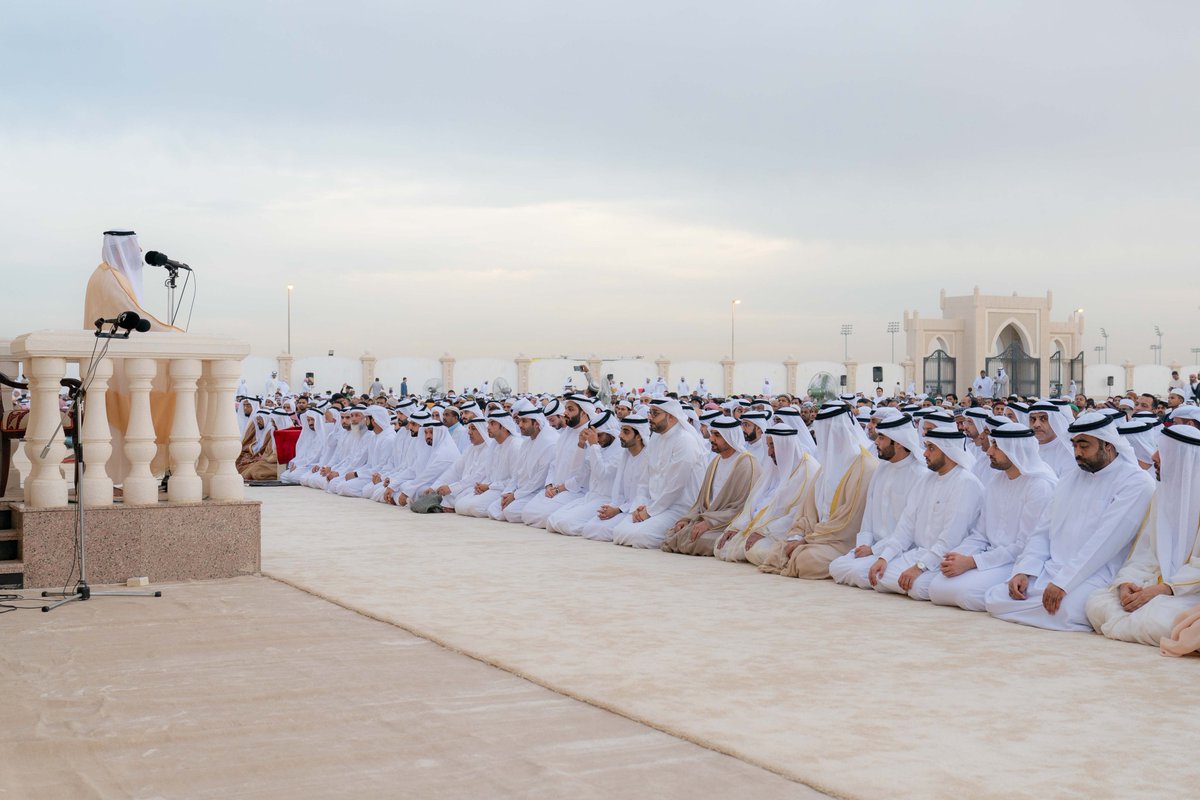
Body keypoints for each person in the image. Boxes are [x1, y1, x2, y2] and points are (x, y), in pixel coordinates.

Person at [985, 412, 1157, 632]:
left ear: (1107, 445)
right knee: (995, 597)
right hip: (1052, 568)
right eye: (1074, 445)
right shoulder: (1070, 479)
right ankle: (1037, 607)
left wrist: (1063, 583)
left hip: (1097, 572)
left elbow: (1105, 542)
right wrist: (1025, 569)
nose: (1077, 453)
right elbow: (1043, 530)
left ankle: (1040, 608)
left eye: (1084, 446)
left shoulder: (1136, 482)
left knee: (1069, 610)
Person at [1086, 424, 1200, 645]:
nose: (1154, 456)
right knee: (1096, 602)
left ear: (1183, 458)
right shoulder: (1162, 496)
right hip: (1153, 581)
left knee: (1158, 619)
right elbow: (1144, 552)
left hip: (1188, 590)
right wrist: (1127, 583)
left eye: (1163, 451)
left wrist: (1164, 589)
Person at [927, 423, 1057, 611]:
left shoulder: (1039, 486)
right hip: (991, 557)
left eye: (996, 445)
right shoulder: (996, 481)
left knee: (965, 594)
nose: (989, 451)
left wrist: (972, 562)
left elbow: (1026, 546)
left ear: (1015, 448)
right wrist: (958, 557)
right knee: (936, 587)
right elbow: (980, 534)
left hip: (1018, 563)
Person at [757, 403, 878, 579]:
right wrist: (797, 535)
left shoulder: (865, 467)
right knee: (780, 550)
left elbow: (848, 522)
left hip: (841, 541)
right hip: (817, 537)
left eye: (826, 432)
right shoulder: (825, 468)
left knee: (806, 559)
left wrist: (806, 540)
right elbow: (808, 511)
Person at [866, 426, 985, 599]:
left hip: (945, 559)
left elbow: (951, 539)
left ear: (948, 452)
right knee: (878, 575)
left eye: (931, 448)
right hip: (919, 553)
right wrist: (884, 557)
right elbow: (905, 527)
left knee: (918, 586)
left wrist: (920, 567)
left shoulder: (966, 483)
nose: (925, 454)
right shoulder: (926, 479)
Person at [829, 412, 927, 587]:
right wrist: (865, 545)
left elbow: (910, 528)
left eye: (881, 438)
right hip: (872, 547)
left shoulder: (920, 475)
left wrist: (875, 550)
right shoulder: (882, 469)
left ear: (897, 442)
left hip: (899, 549)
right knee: (836, 566)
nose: (876, 442)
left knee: (857, 572)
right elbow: (869, 514)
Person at [715, 423, 820, 564]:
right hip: (759, 527)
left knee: (757, 550)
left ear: (784, 446)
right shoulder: (774, 466)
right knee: (721, 546)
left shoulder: (808, 471)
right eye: (768, 446)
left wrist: (765, 531)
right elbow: (754, 503)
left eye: (772, 446)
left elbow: (797, 514)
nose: (769, 452)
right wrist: (738, 527)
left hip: (781, 532)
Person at [611, 398, 707, 549]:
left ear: (671, 416)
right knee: (618, 532)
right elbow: (644, 480)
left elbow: (676, 486)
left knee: (640, 537)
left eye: (655, 413)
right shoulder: (655, 438)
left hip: (680, 508)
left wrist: (650, 511)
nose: (650, 417)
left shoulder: (685, 440)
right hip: (653, 505)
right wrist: (641, 506)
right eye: (650, 413)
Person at [662, 416, 759, 556]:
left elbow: (742, 508)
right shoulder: (715, 462)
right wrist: (687, 519)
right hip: (710, 519)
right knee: (675, 531)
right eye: (712, 433)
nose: (711, 439)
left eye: (717, 435)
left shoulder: (746, 464)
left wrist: (709, 523)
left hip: (729, 524)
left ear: (730, 437)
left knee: (700, 540)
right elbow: (701, 503)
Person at [521, 396, 596, 528]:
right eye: (566, 408)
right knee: (527, 512)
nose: (565, 412)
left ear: (583, 412)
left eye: (570, 409)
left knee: (543, 516)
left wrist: (560, 489)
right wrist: (549, 485)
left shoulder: (590, 434)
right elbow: (554, 463)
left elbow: (585, 473)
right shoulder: (566, 433)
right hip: (555, 488)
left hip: (575, 491)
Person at [491, 400, 559, 522]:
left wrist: (515, 496)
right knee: (493, 509)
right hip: (521, 492)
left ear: (536, 423)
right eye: (520, 421)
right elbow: (517, 474)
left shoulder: (549, 443)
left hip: (536, 491)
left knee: (510, 512)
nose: (520, 425)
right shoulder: (526, 443)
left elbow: (539, 480)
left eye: (524, 421)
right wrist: (508, 492)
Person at [453, 411, 524, 518]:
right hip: (493, 488)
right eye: (488, 423)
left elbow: (516, 480)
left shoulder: (515, 445)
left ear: (504, 426)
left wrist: (489, 486)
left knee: (474, 507)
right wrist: (483, 486)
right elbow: (490, 474)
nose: (488, 427)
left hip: (505, 490)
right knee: (459, 504)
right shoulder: (495, 445)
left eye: (492, 423)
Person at [414, 417, 492, 513]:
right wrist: (434, 487)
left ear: (483, 430)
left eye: (473, 429)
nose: (469, 432)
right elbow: (454, 471)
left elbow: (477, 477)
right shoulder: (470, 449)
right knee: (445, 496)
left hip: (476, 488)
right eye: (469, 429)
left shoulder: (489, 450)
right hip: (463, 487)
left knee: (459, 501)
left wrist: (451, 488)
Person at [1028, 400, 1075, 477]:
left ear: (1054, 421)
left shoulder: (1067, 451)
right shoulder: (1026, 448)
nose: (1036, 425)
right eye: (1033, 419)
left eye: (1043, 419)